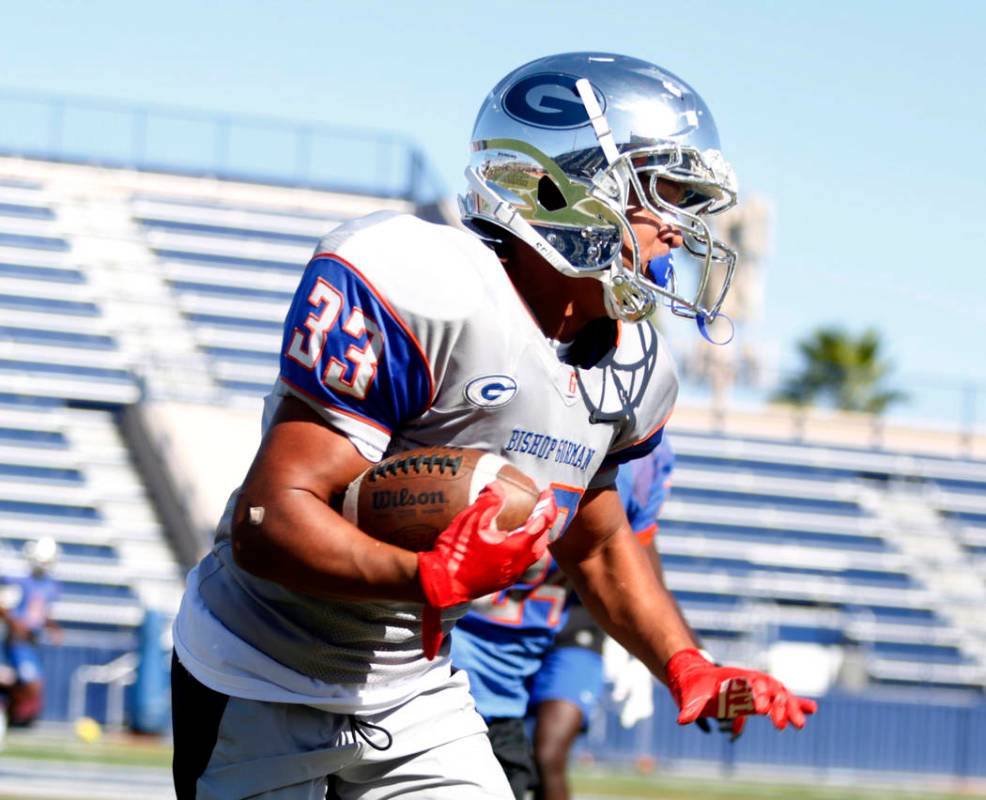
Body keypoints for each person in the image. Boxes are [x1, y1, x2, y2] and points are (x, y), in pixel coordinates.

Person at [170, 52, 816, 799]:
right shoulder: (419, 278)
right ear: (561, 184)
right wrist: (427, 578)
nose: (680, 227)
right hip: (256, 664)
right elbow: (267, 520)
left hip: (412, 684)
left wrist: (684, 662)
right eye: (663, 192)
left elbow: (600, 541)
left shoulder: (638, 362)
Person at [452, 440, 676, 800]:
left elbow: (631, 558)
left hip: (572, 619)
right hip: (488, 628)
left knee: (547, 753)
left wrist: (678, 657)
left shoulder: (641, 462)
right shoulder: (509, 437)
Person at [0, 537, 62, 730]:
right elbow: (3, 606)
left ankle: (9, 716)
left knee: (29, 685)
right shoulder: (18, 581)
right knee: (28, 683)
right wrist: (14, 622)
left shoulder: (51, 586)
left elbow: (41, 613)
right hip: (16, 641)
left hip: (32, 642)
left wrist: (53, 627)